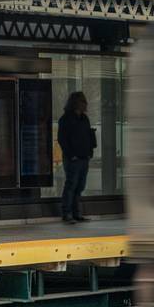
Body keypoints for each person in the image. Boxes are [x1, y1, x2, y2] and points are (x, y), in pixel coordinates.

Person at [57, 91, 97, 224]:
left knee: (80, 186)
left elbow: (88, 136)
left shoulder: (84, 119)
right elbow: (62, 139)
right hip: (72, 158)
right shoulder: (65, 119)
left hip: (84, 157)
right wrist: (70, 155)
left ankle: (76, 213)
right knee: (71, 185)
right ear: (76, 103)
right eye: (82, 101)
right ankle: (67, 213)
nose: (85, 104)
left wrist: (90, 152)